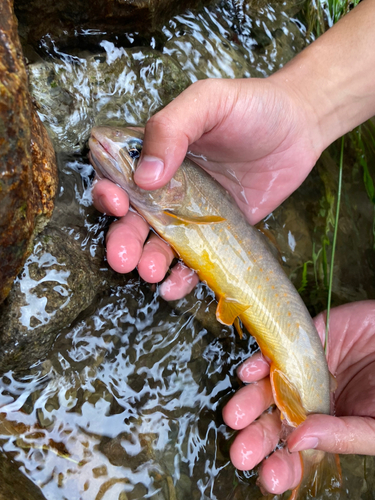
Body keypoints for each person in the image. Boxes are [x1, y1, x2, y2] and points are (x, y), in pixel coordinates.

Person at [92, 0, 375, 494]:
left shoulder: (179, 200)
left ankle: (311, 457)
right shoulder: (176, 201)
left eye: (137, 152)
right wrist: (303, 104)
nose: (114, 147)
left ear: (172, 184)